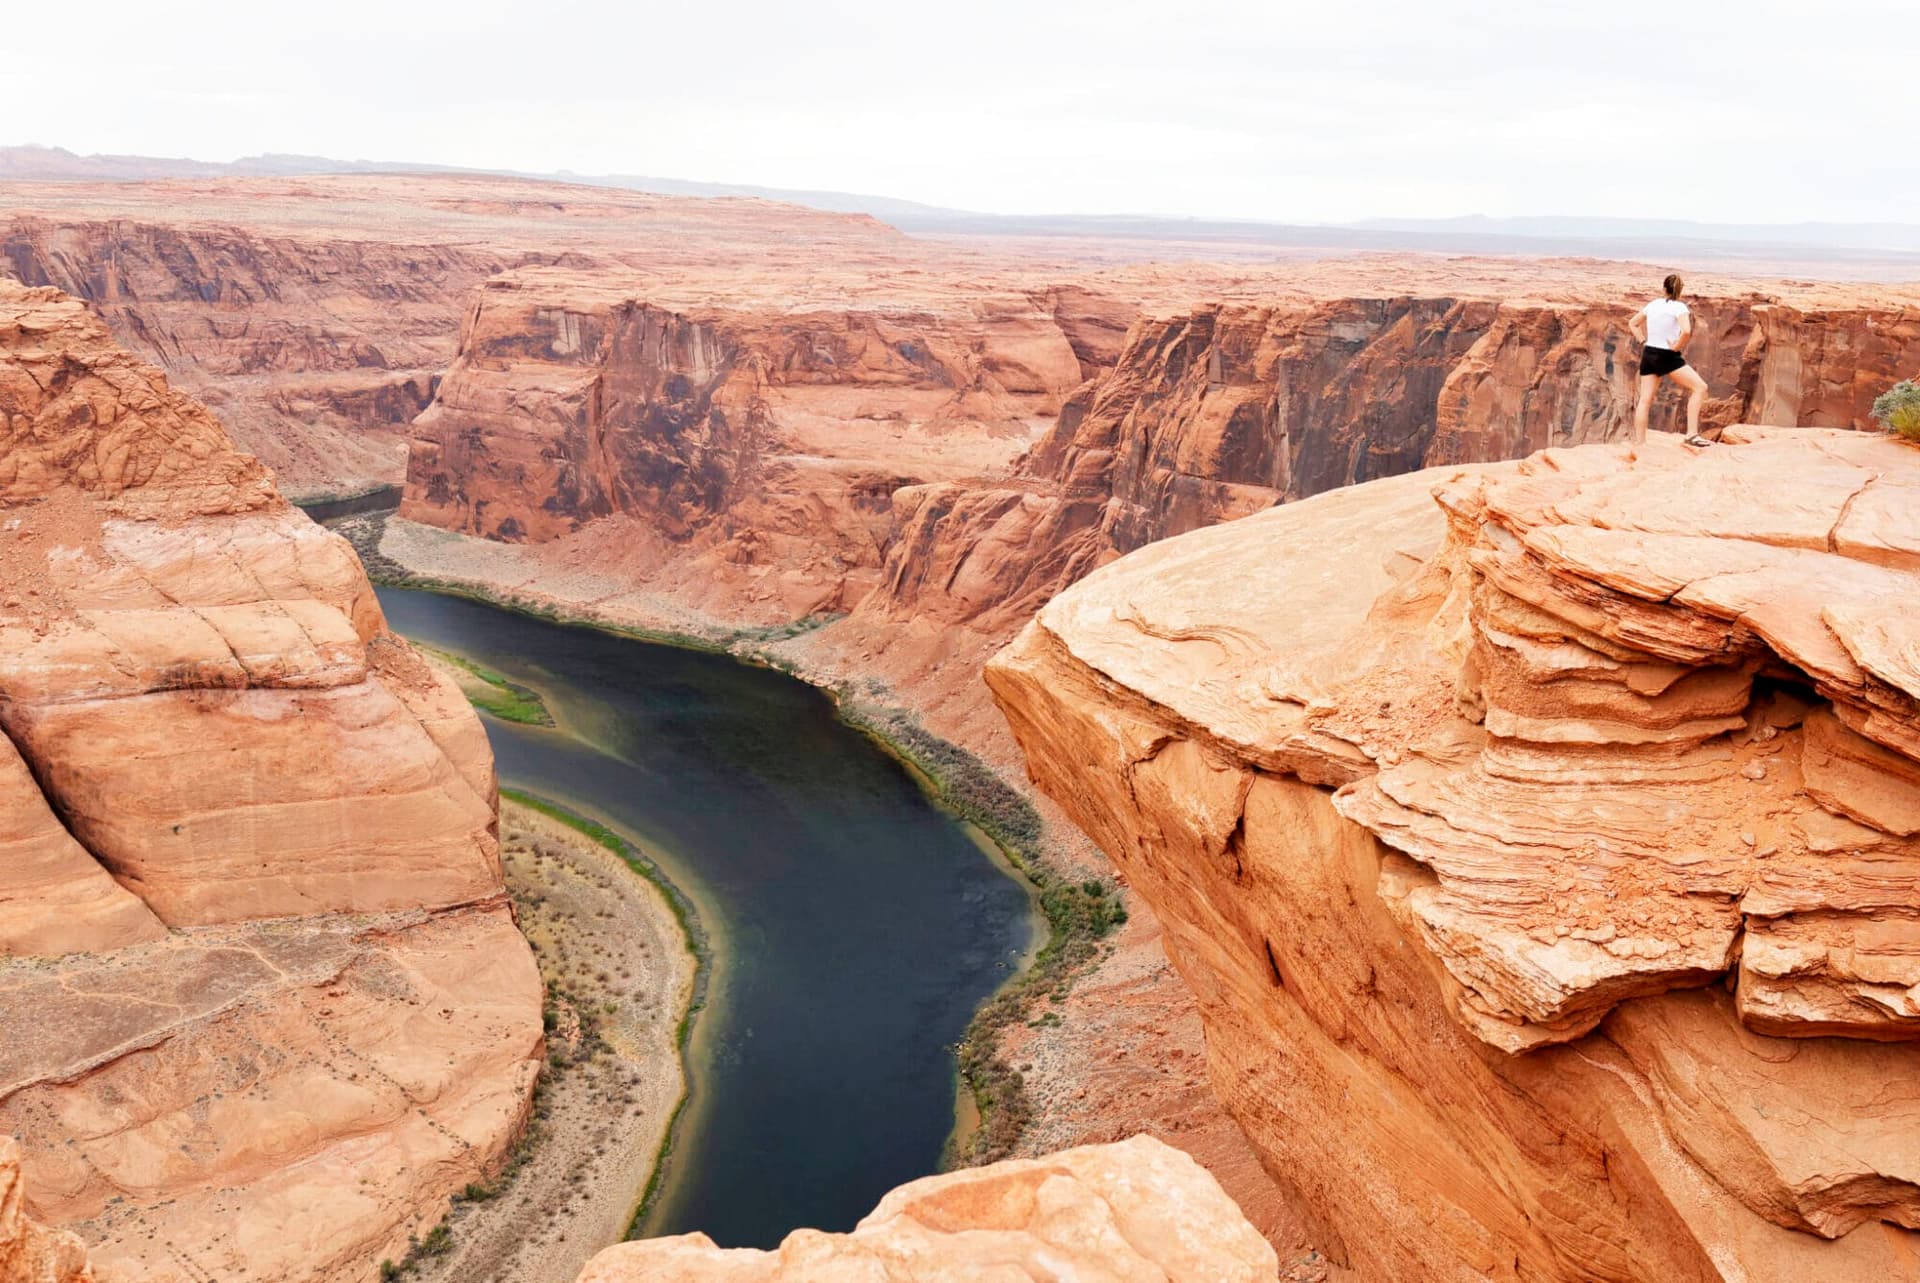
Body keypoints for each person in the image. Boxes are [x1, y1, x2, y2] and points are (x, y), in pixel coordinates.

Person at [1629, 274, 1713, 447]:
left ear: (1664, 288)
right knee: (1700, 387)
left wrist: (1642, 340)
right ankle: (1691, 434)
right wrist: (1676, 346)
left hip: (1649, 353)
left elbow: (1633, 323)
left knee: (1644, 400)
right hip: (1667, 355)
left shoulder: (1653, 304)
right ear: (1680, 290)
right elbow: (1686, 331)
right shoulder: (1679, 307)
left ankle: (1640, 443)